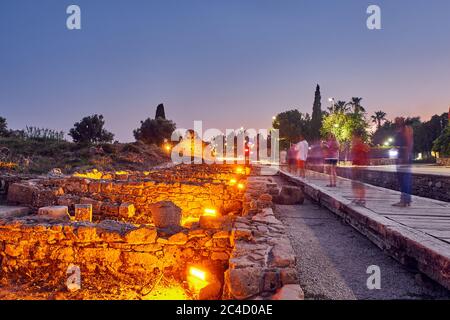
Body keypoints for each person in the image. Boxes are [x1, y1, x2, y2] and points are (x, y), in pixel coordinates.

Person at [392, 117, 413, 207]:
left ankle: (405, 200)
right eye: (396, 121)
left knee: (405, 179)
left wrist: (406, 156)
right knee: (402, 179)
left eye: (398, 120)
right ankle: (405, 199)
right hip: (400, 157)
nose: (396, 122)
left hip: (404, 157)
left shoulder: (406, 129)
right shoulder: (399, 130)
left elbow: (409, 143)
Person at [350, 130, 370, 206]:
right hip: (356, 165)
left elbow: (367, 152)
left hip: (360, 166)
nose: (352, 139)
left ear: (357, 137)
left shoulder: (362, 145)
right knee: (355, 182)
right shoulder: (357, 145)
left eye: (353, 137)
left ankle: (362, 198)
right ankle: (358, 197)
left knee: (360, 182)